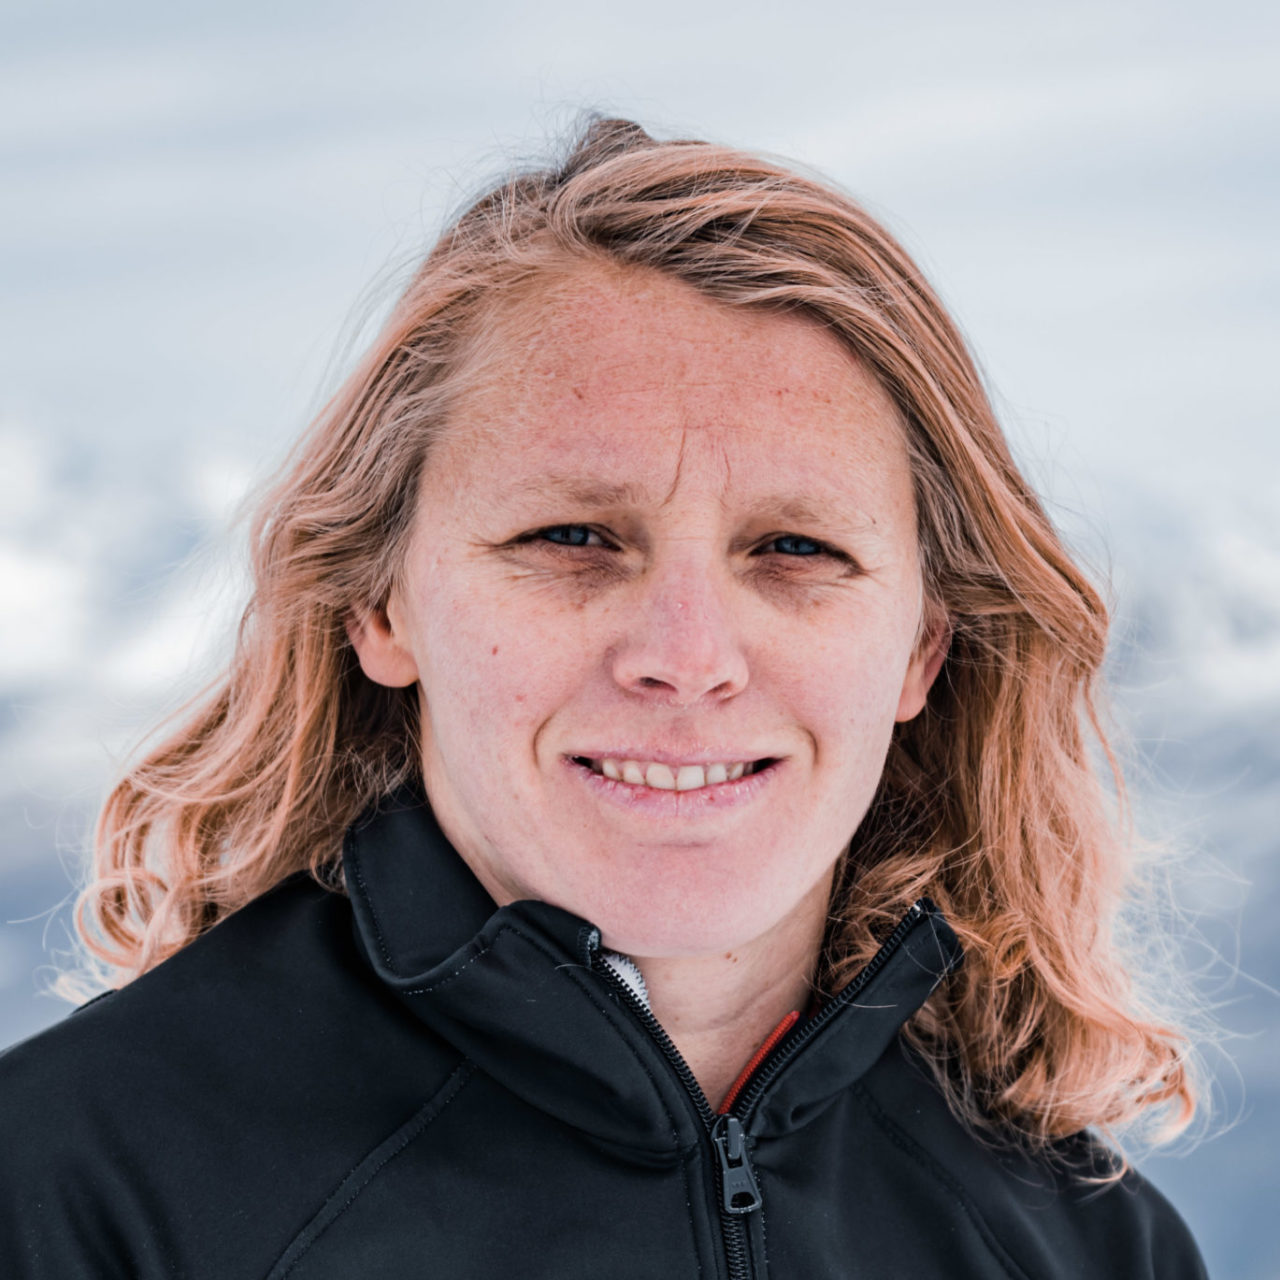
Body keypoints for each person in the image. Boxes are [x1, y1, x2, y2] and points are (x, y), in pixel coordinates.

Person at [0, 117, 1208, 1278]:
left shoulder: (1094, 1248)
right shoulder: (74, 1195)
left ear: (921, 648)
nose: (686, 656)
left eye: (793, 548)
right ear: (379, 603)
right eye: (572, 536)